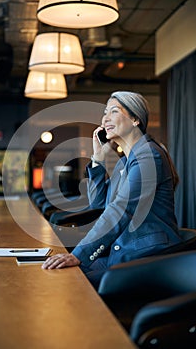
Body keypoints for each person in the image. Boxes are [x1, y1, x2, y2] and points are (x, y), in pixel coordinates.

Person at [42, 91, 182, 289]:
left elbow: (121, 210)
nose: (105, 118)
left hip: (146, 258)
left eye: (114, 111)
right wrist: (98, 160)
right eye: (105, 112)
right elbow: (98, 204)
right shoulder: (124, 162)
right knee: (57, 276)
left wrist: (78, 255)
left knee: (69, 283)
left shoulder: (149, 156)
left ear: (135, 119)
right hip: (120, 253)